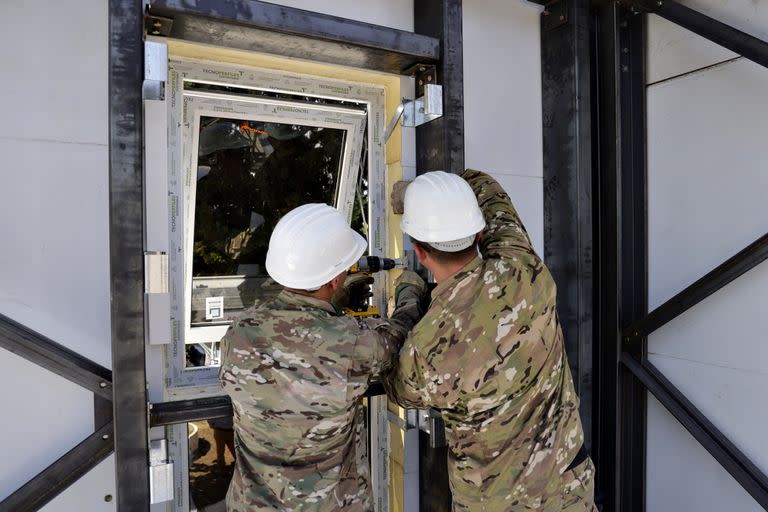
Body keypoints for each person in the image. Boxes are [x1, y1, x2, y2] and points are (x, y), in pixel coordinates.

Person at [388, 170, 596, 511]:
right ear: (481, 231)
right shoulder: (524, 269)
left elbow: (397, 386)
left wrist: (409, 300)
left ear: (419, 252)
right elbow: (485, 187)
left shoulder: (426, 349)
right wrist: (418, 194)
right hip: (566, 487)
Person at [218, 203, 425, 512]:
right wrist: (410, 290)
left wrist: (331, 306)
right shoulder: (351, 342)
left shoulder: (238, 334)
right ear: (332, 280)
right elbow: (400, 336)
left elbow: (294, 348)